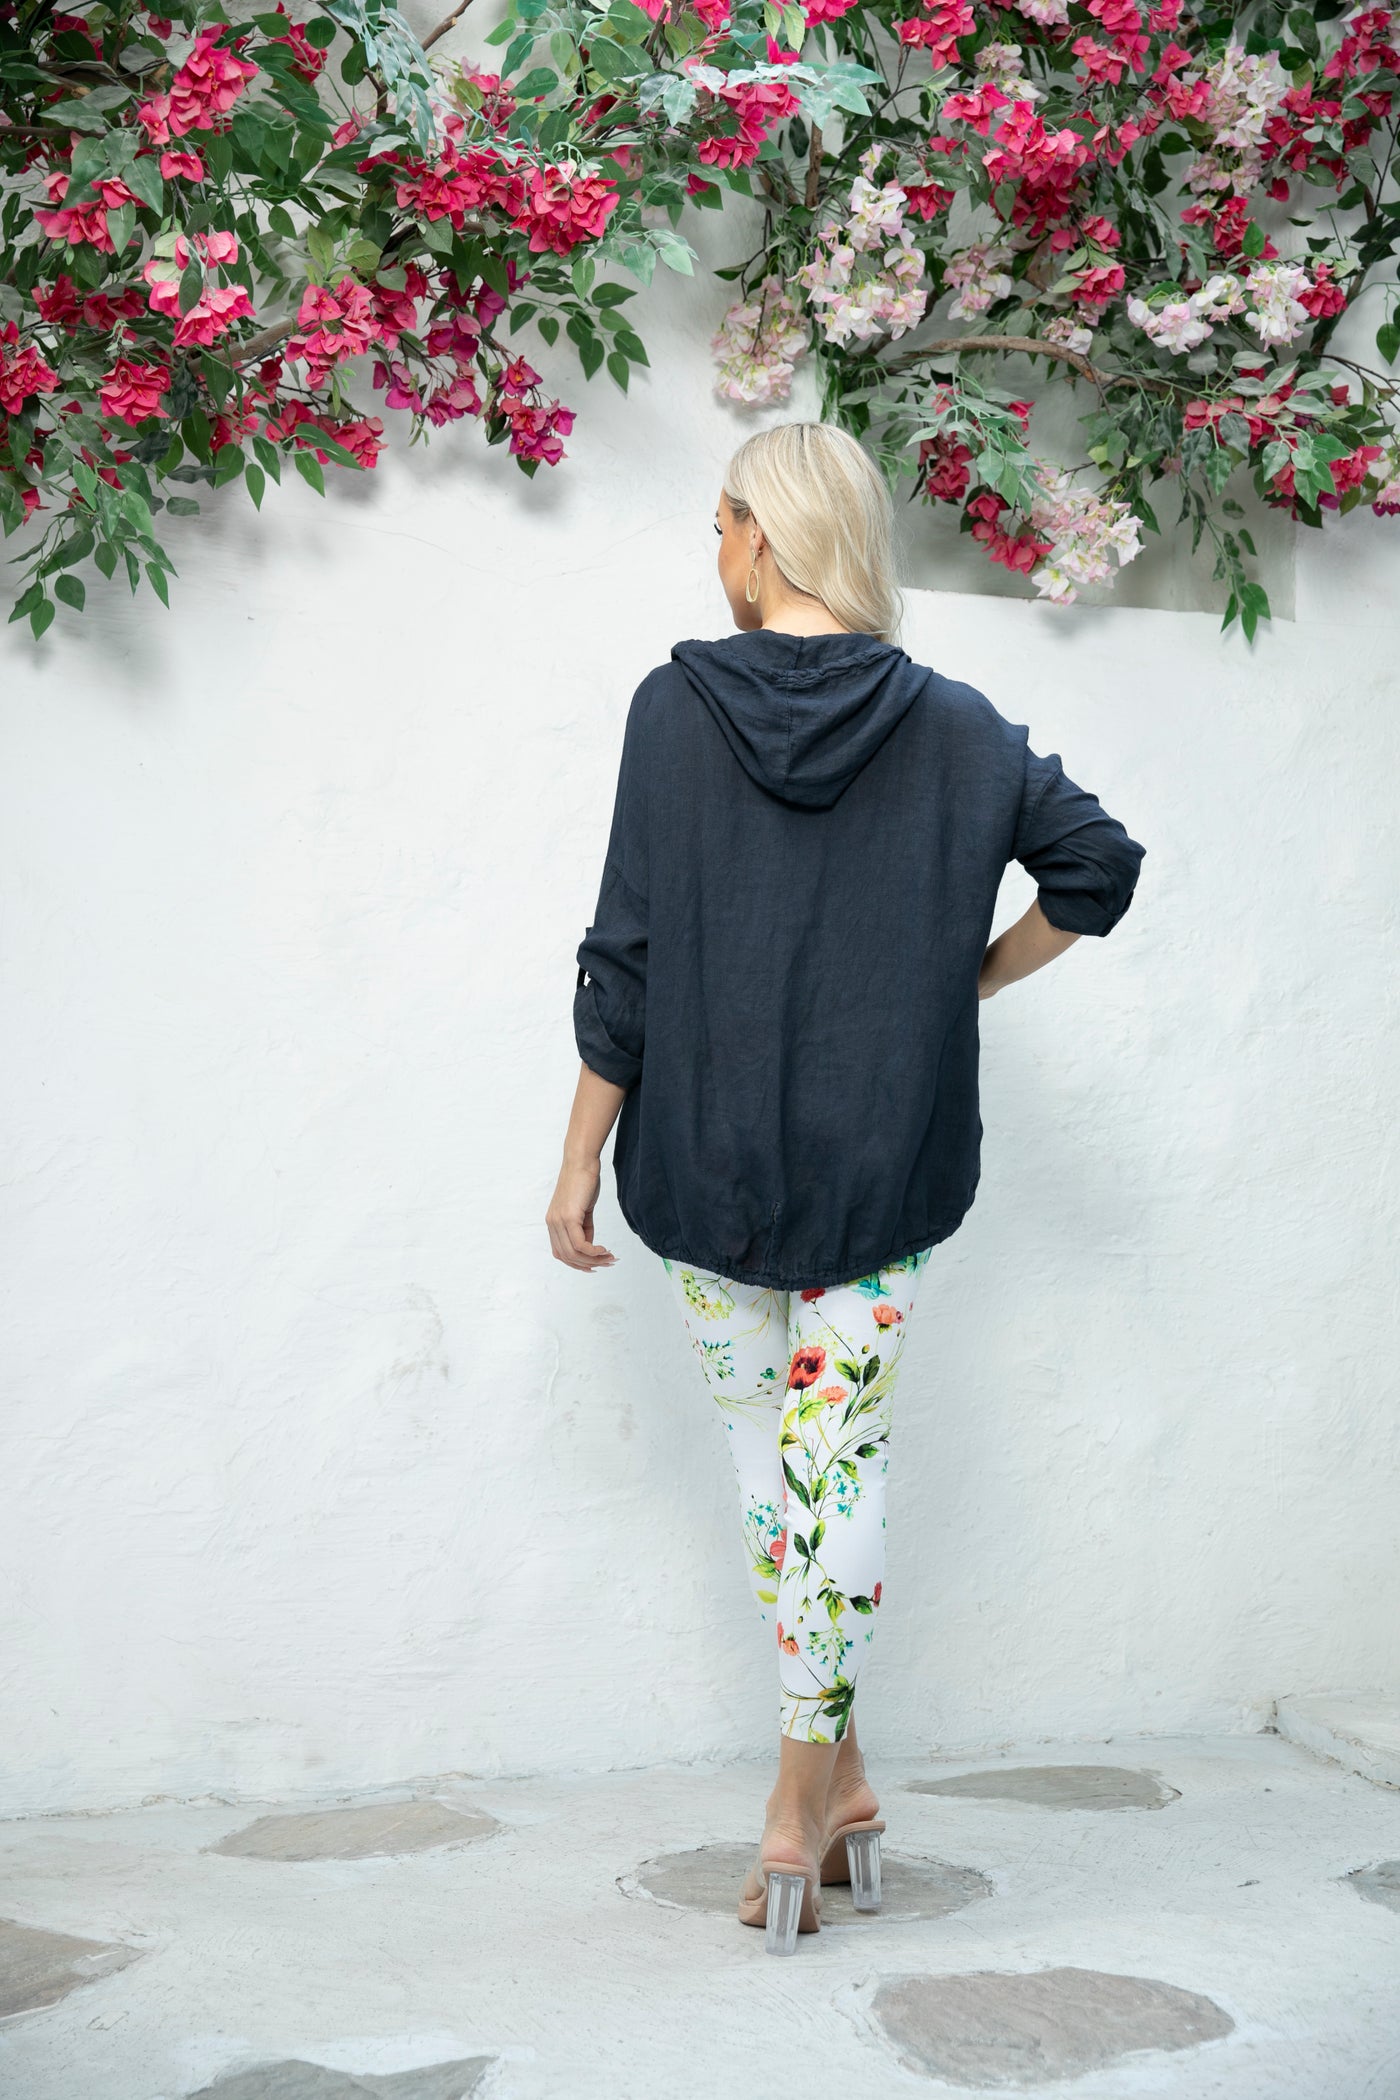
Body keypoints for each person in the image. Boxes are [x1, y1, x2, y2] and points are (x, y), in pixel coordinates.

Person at [545, 420, 1146, 1954]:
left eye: (720, 524)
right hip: (886, 1163)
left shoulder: (673, 710)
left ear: (761, 532)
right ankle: (846, 1773)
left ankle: (794, 1798)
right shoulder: (954, 722)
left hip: (702, 1155)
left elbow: (627, 957)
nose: (715, 552)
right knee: (836, 1468)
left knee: (775, 1470)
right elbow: (1097, 866)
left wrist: (578, 1156)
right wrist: (969, 978)